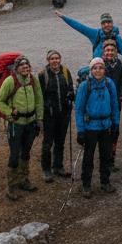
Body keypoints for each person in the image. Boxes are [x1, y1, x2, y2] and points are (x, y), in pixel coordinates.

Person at [0, 56, 43, 199]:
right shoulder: (10, 81)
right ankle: (12, 187)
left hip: (31, 122)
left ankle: (24, 180)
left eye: (27, 65)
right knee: (14, 155)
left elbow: (39, 99)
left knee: (26, 153)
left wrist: (39, 118)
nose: (25, 68)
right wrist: (10, 112)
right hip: (16, 124)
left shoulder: (33, 80)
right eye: (22, 66)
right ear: (16, 68)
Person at [74, 57, 119, 197]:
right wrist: (80, 130)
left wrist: (115, 123)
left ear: (104, 69)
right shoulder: (84, 86)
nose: (98, 70)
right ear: (91, 70)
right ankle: (86, 184)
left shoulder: (109, 83)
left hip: (106, 126)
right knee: (88, 157)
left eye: (100, 68)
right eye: (95, 68)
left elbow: (115, 105)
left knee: (106, 156)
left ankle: (105, 182)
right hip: (90, 127)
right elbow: (79, 110)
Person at [37, 50, 75, 182]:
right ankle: (46, 170)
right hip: (49, 115)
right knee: (47, 143)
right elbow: (39, 95)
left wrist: (71, 94)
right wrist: (44, 110)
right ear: (48, 60)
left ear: (60, 59)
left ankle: (58, 166)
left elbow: (70, 86)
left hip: (64, 113)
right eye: (52, 58)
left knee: (60, 141)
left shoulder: (65, 71)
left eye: (57, 58)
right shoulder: (43, 75)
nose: (55, 61)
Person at [99, 40, 122, 168]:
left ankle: (112, 157)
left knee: (115, 130)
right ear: (103, 52)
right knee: (104, 130)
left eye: (112, 50)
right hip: (103, 102)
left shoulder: (120, 65)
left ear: (116, 51)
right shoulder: (99, 65)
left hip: (116, 101)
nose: (110, 52)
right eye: (107, 50)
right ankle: (104, 158)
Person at [55, 10, 122, 57]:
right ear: (101, 25)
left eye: (109, 22)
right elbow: (80, 27)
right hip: (97, 68)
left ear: (112, 23)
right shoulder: (95, 34)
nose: (106, 25)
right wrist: (64, 17)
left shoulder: (117, 37)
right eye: (104, 23)